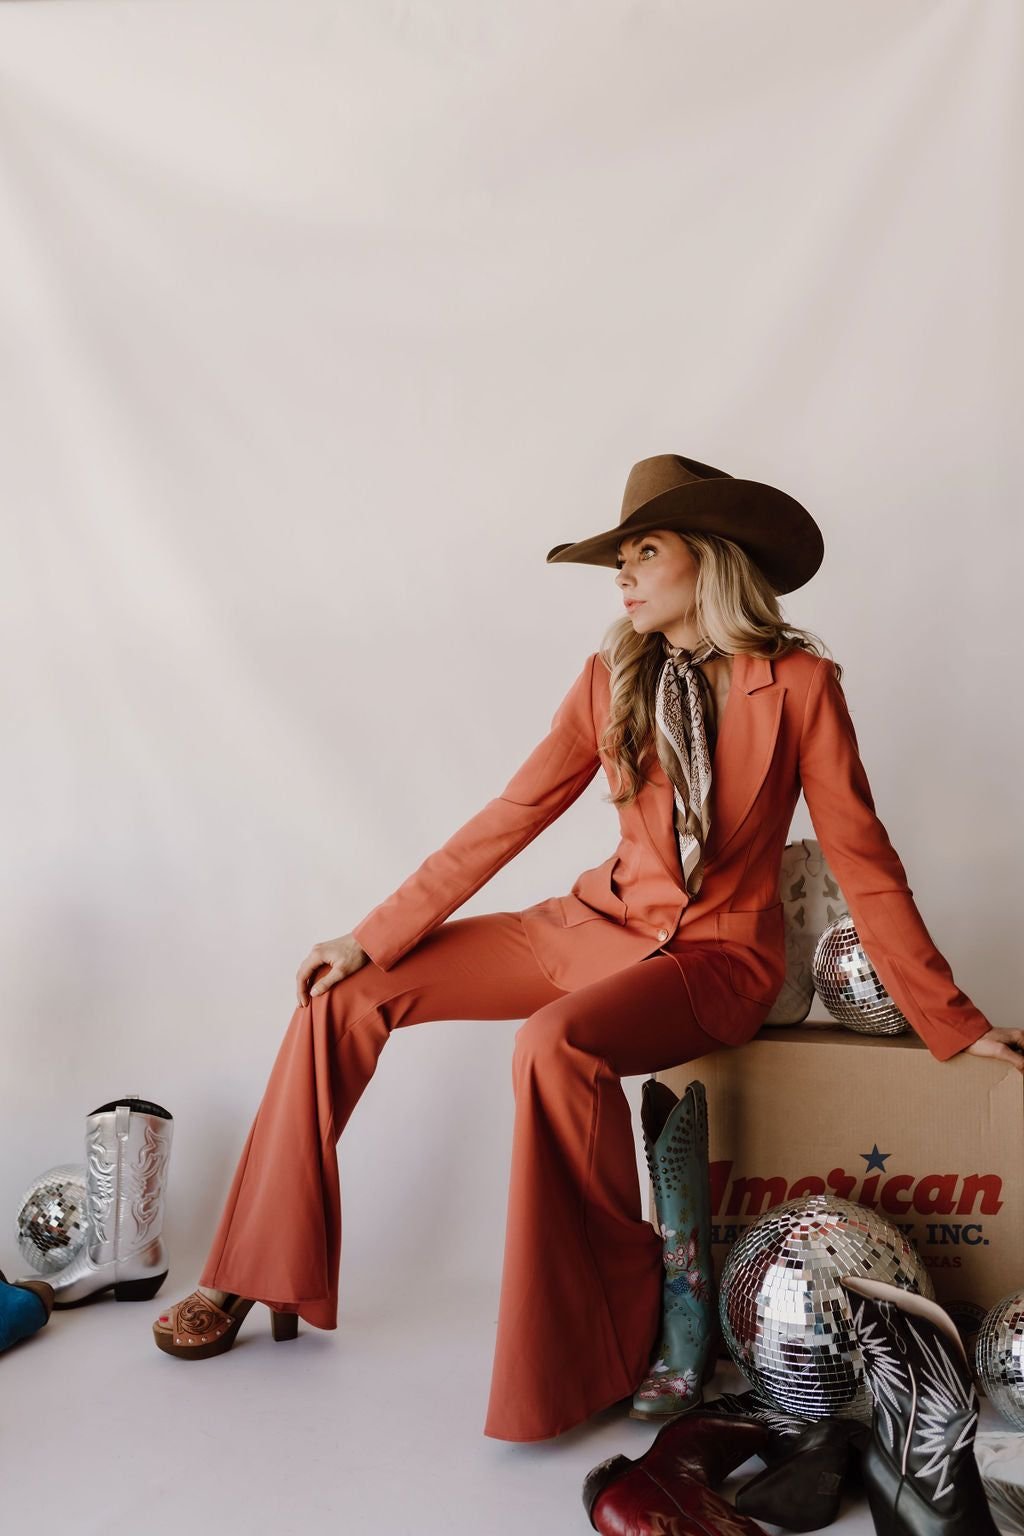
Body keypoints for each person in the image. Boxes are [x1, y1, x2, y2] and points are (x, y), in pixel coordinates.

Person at [151, 453, 1020, 1443]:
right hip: (586, 929)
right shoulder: (613, 676)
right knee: (342, 996)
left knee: (552, 1044)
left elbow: (862, 861)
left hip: (710, 962)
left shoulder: (800, 686)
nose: (623, 576)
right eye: (620, 558)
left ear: (709, 559)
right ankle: (251, 1268)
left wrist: (953, 1023)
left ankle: (610, 1331)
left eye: (644, 552)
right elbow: (512, 814)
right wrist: (371, 934)